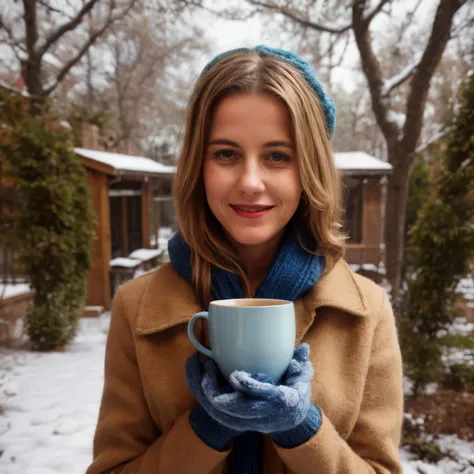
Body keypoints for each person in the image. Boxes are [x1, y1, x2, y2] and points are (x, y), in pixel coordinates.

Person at [86, 45, 404, 474]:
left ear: (309, 169)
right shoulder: (137, 308)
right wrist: (206, 430)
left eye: (278, 156)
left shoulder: (366, 312)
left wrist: (302, 430)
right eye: (226, 154)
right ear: (198, 166)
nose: (251, 183)